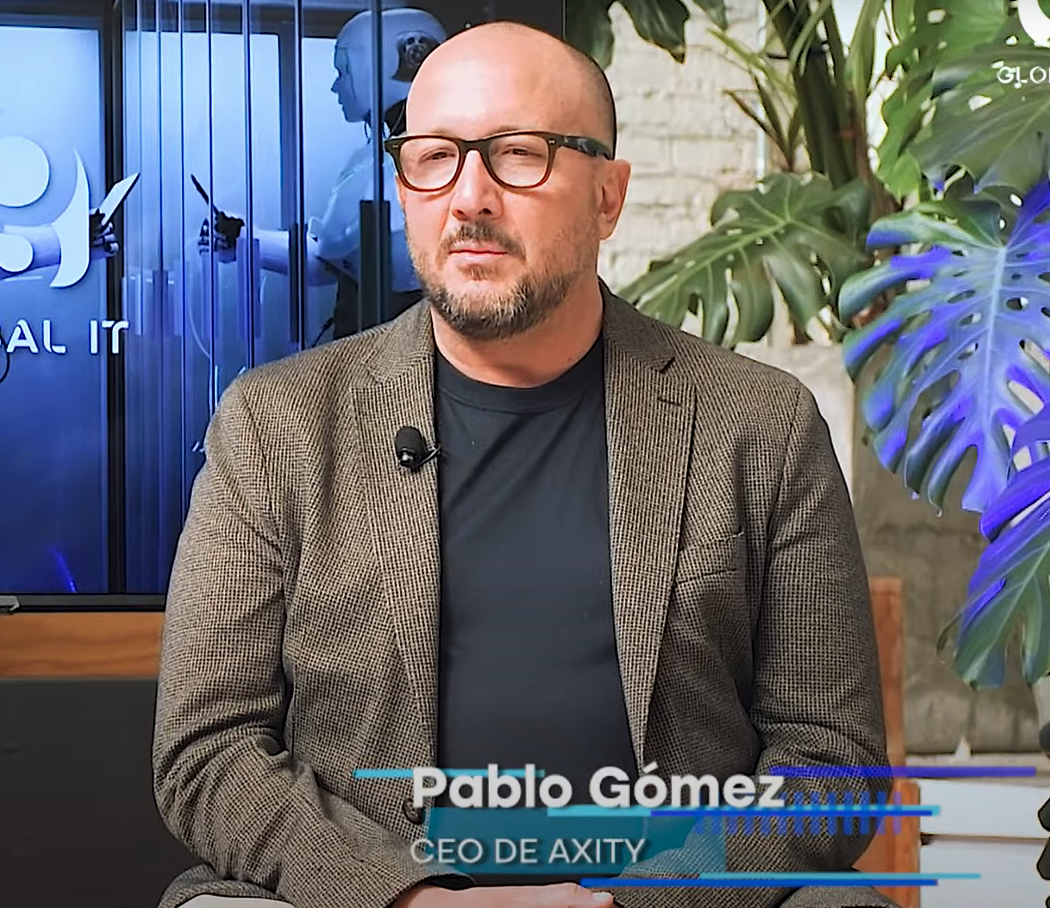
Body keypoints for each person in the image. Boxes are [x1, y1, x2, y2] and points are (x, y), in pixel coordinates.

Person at [153, 19, 898, 908]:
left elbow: (830, 760)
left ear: (608, 197)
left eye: (518, 155)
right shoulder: (276, 425)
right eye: (433, 158)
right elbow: (209, 750)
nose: (469, 197)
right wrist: (410, 898)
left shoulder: (759, 424)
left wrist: (630, 902)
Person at [199, 6, 446, 339]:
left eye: (344, 72)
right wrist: (245, 239)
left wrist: (248, 240)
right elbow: (334, 259)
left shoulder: (402, 164)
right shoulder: (387, 159)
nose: (335, 86)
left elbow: (338, 255)